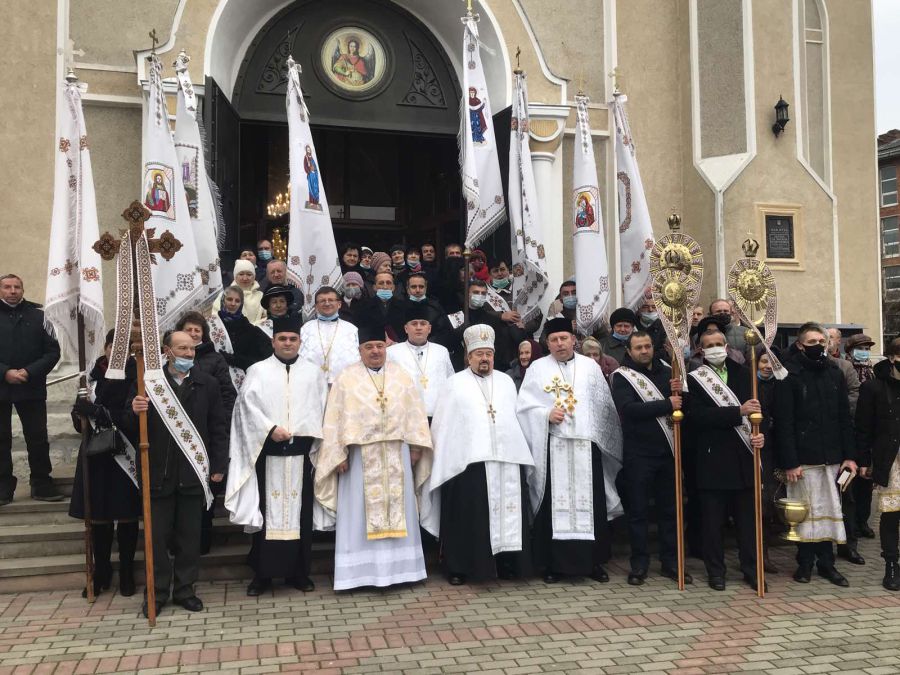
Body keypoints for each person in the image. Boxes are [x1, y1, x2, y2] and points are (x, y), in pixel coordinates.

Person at [315, 321, 433, 590]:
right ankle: (358, 575)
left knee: (400, 509)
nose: (375, 351)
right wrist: (338, 454)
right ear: (360, 350)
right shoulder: (346, 378)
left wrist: (416, 446)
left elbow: (414, 410)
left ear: (386, 347)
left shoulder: (401, 375)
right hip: (358, 457)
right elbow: (334, 418)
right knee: (358, 512)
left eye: (380, 346)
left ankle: (403, 572)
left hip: (397, 453)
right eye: (369, 347)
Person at [126, 331, 228, 617]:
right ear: (167, 351)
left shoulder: (206, 383)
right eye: (182, 348)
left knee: (189, 539)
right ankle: (156, 593)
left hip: (193, 474)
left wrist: (219, 466)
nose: (188, 353)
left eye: (192, 349)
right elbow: (128, 426)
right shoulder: (148, 383)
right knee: (156, 540)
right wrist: (134, 411)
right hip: (158, 474)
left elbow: (218, 426)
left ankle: (185, 590)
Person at [423, 324, 534, 584]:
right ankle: (461, 567)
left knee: (509, 515)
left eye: (488, 354)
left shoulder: (506, 381)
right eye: (478, 354)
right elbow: (444, 426)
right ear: (468, 357)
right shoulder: (454, 384)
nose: (484, 359)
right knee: (470, 518)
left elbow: (515, 419)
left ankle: (508, 564)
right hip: (468, 464)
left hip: (507, 458)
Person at [225, 315, 328, 595]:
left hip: (301, 454)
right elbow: (245, 408)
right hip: (267, 454)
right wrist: (269, 428)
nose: (287, 343)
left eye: (292, 339)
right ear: (273, 341)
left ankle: (299, 573)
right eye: (282, 338)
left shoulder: (313, 373)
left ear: (299, 342)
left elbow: (321, 408)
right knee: (266, 515)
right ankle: (262, 575)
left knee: (300, 516)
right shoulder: (257, 371)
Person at [517, 318, 623, 583]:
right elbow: (524, 408)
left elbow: (603, 406)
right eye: (553, 340)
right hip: (554, 446)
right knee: (554, 505)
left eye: (563, 338)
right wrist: (545, 413)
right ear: (547, 343)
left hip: (587, 445)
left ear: (573, 339)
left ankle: (594, 562)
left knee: (592, 504)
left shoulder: (589, 367)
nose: (559, 343)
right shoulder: (537, 368)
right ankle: (553, 564)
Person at [686, 317, 766, 591]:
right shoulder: (693, 380)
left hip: (744, 457)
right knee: (712, 524)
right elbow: (697, 416)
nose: (716, 348)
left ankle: (752, 569)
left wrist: (760, 432)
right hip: (712, 460)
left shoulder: (745, 372)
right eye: (710, 345)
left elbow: (759, 411)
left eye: (720, 343)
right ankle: (716, 571)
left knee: (747, 523)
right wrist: (737, 412)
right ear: (701, 350)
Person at [775, 322, 857, 587]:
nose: (819, 347)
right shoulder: (790, 376)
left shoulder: (834, 373)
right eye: (812, 342)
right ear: (800, 345)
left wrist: (850, 456)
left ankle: (827, 564)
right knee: (805, 513)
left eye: (822, 342)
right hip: (803, 459)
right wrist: (790, 462)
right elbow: (784, 422)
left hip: (832, 456)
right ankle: (805, 564)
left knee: (829, 511)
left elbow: (845, 418)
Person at [611, 330, 687, 585]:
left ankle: (671, 562)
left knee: (670, 511)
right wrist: (668, 403)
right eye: (638, 348)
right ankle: (639, 564)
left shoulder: (669, 372)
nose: (644, 351)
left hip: (668, 453)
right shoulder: (622, 377)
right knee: (639, 512)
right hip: (638, 455)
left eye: (647, 346)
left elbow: (682, 407)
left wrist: (680, 394)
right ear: (629, 351)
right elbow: (630, 410)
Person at [69, 330, 140, 597]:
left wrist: (99, 411)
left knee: (126, 514)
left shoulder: (136, 374)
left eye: (124, 347)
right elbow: (79, 421)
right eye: (113, 346)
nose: (117, 352)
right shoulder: (90, 375)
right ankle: (100, 571)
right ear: (107, 347)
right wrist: (80, 412)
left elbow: (131, 417)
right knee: (97, 516)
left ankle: (126, 571)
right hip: (95, 453)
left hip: (124, 451)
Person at [175, 311, 238, 554]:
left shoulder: (215, 359)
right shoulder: (169, 359)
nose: (193, 334)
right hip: (178, 432)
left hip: (208, 433)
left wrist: (223, 422)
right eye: (189, 329)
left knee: (206, 490)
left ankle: (203, 539)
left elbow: (227, 394)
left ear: (203, 333)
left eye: (197, 330)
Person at [0, 274, 62, 504]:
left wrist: (29, 371)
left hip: (31, 385)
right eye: (7, 287)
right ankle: (3, 486)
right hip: (0, 385)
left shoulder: (39, 316)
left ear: (23, 289)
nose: (13, 291)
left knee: (37, 437)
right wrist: (5, 372)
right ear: (0, 290)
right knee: (1, 438)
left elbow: (53, 352)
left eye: (17, 286)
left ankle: (41, 483)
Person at [856, 337, 900, 591]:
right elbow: (863, 428)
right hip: (890, 459)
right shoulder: (874, 387)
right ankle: (891, 564)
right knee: (891, 514)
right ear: (893, 357)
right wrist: (864, 459)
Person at [825, 327, 864, 565]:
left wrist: (833, 410)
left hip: (841, 440)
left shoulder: (843, 367)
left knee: (846, 495)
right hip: (816, 446)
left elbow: (854, 394)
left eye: (827, 339)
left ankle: (848, 544)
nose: (824, 343)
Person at [386, 303, 454, 419]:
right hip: (405, 415)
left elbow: (451, 382)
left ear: (429, 329)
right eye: (414, 324)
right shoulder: (392, 352)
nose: (418, 327)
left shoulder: (441, 351)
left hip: (436, 414)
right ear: (406, 329)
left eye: (423, 324)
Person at [845, 333, 877, 540]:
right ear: (850, 350)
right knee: (850, 481)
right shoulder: (843, 369)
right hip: (850, 430)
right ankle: (851, 524)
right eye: (860, 348)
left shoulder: (872, 372)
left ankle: (863, 521)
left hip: (868, 434)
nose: (864, 351)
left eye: (867, 348)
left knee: (866, 480)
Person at [299, 286, 360, 385]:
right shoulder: (306, 328)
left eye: (331, 300)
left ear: (339, 304)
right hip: (312, 384)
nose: (327, 303)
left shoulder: (351, 329)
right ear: (316, 306)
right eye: (322, 301)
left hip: (344, 384)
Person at [214, 286, 273, 373]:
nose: (233, 304)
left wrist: (234, 359)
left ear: (241, 304)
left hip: (243, 378)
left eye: (237, 301)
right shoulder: (212, 324)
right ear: (223, 300)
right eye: (229, 299)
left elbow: (258, 360)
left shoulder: (249, 329)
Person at [404, 273, 454, 351]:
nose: (417, 290)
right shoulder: (400, 307)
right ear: (407, 289)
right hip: (405, 349)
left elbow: (444, 330)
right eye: (413, 287)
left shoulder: (436, 307)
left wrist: (429, 344)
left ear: (426, 288)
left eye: (421, 287)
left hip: (432, 348)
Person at [356, 271, 406, 343]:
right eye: (381, 283)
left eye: (388, 283)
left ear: (393, 287)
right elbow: (361, 332)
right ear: (374, 287)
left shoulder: (403, 307)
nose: (385, 286)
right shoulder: (363, 307)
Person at [213, 260, 265, 324]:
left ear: (254, 277)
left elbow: (267, 318)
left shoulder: (261, 296)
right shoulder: (224, 295)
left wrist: (251, 328)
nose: (245, 278)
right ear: (235, 276)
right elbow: (215, 317)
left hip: (256, 333)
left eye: (249, 274)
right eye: (241, 274)